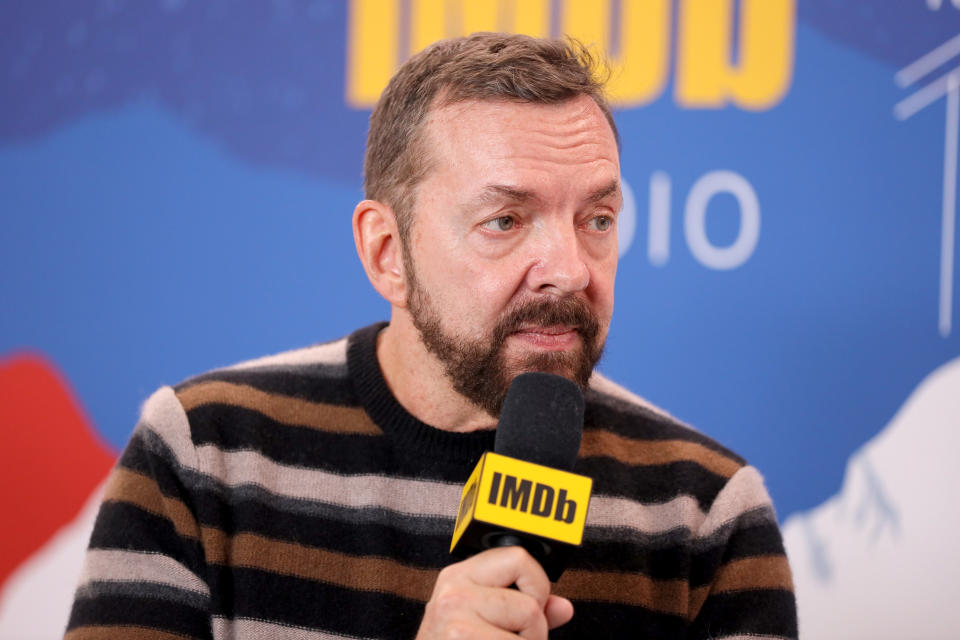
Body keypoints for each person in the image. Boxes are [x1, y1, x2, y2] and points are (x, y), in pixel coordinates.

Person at [66, 33, 797, 639]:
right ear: (388, 253)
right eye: (505, 221)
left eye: (597, 220)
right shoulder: (202, 456)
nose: (571, 271)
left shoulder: (708, 512)